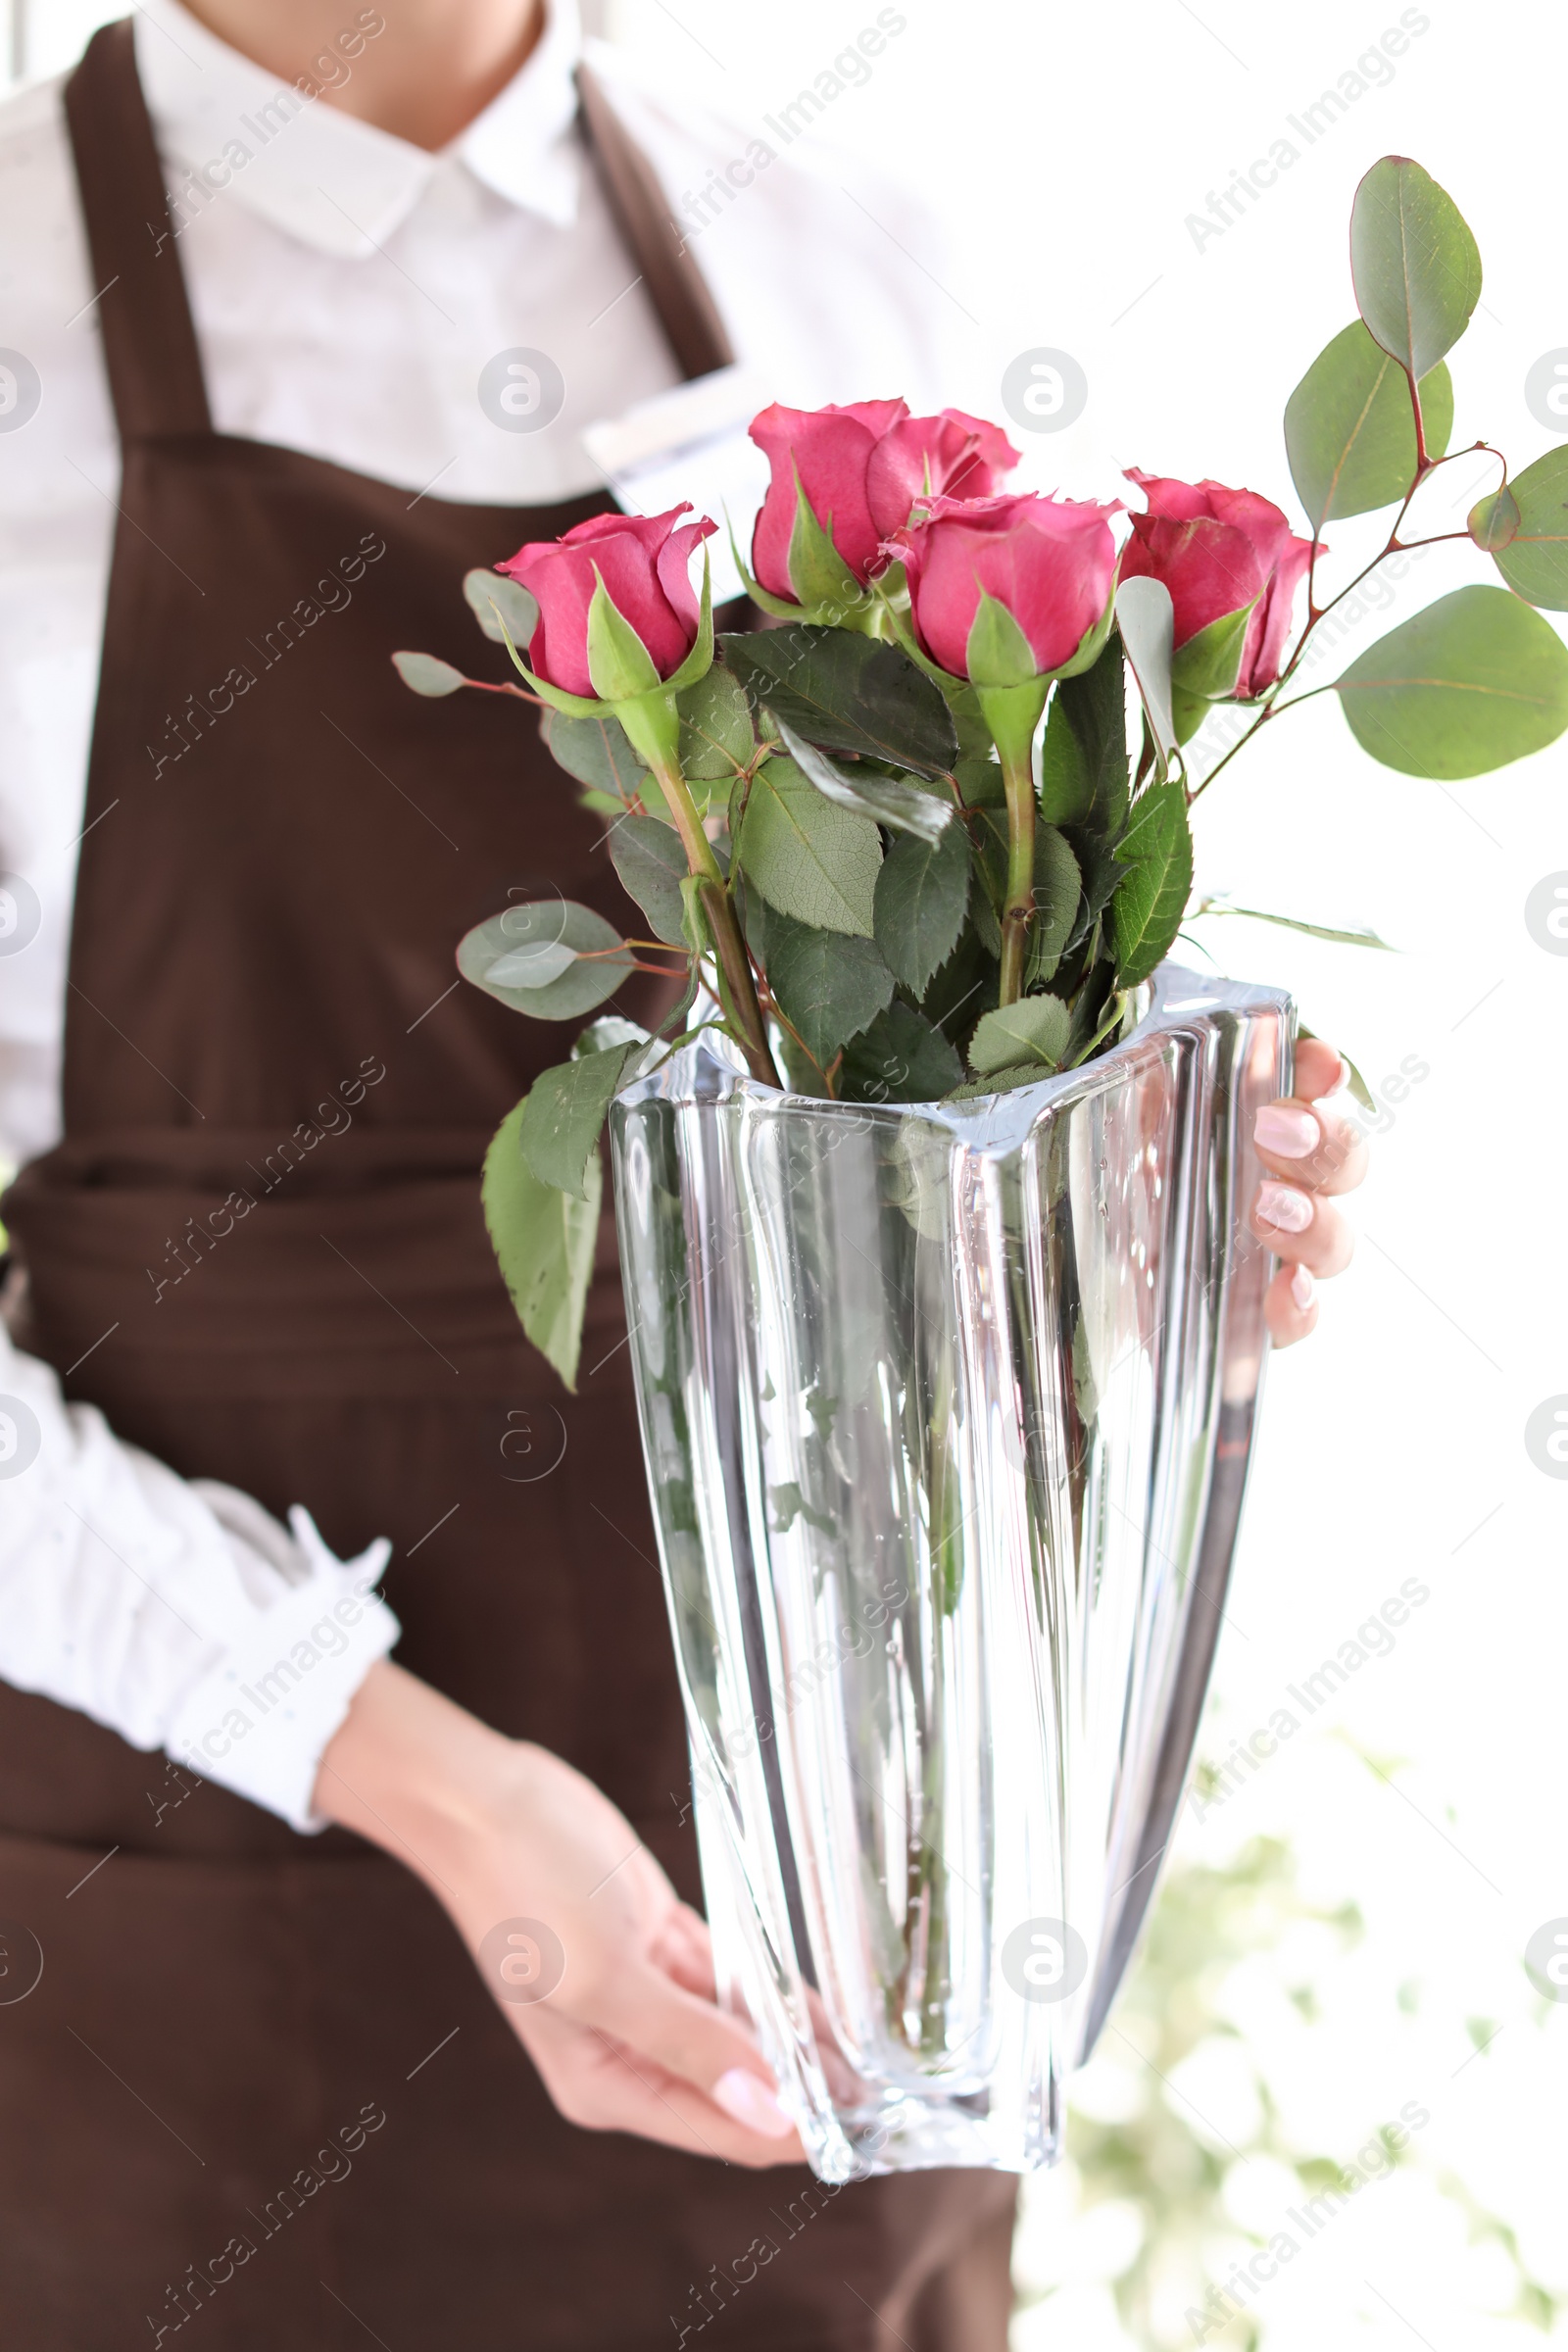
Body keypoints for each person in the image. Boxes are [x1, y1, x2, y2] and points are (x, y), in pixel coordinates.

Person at [0, 2, 1368, 2342]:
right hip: (227, 1943)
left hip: (841, 1934)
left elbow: (907, 1131)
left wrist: (1124, 1227)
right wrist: (420, 1780)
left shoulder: (855, 258)